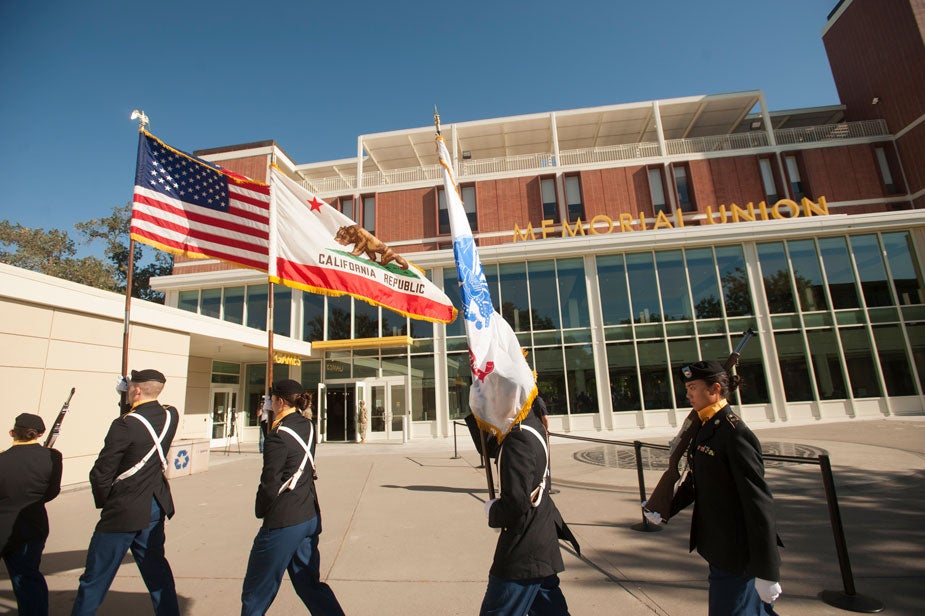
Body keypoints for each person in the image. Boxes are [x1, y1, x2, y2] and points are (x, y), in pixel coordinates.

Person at [661, 360, 783, 615]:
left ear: (715, 389)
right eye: (687, 387)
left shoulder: (735, 433)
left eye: (693, 387)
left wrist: (767, 571)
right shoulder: (706, 426)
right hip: (719, 547)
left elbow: (758, 503)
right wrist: (664, 509)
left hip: (737, 555)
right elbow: (698, 482)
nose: (688, 394)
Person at [72, 369, 180, 616]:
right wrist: (129, 400)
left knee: (96, 577)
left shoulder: (123, 425)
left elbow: (101, 472)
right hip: (155, 503)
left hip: (124, 507)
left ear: (138, 390)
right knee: (157, 572)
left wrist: (106, 502)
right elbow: (144, 423)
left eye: (132, 387)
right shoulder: (170, 415)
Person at [241, 379, 344, 616]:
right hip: (308, 514)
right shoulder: (308, 425)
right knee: (310, 586)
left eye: (271, 400)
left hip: (283, 522)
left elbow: (269, 484)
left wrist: (261, 510)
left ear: (279, 401)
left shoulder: (277, 436)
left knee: (256, 592)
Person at [480, 406, 577, 615]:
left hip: (524, 546)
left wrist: (493, 511)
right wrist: (478, 408)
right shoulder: (530, 424)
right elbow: (488, 447)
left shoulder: (518, 438)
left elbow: (516, 502)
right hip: (541, 539)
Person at [0, 413, 63, 615]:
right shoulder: (53, 457)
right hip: (34, 526)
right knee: (28, 579)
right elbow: (51, 492)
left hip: (3, 526)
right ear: (40, 434)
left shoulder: (3, 460)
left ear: (12, 433)